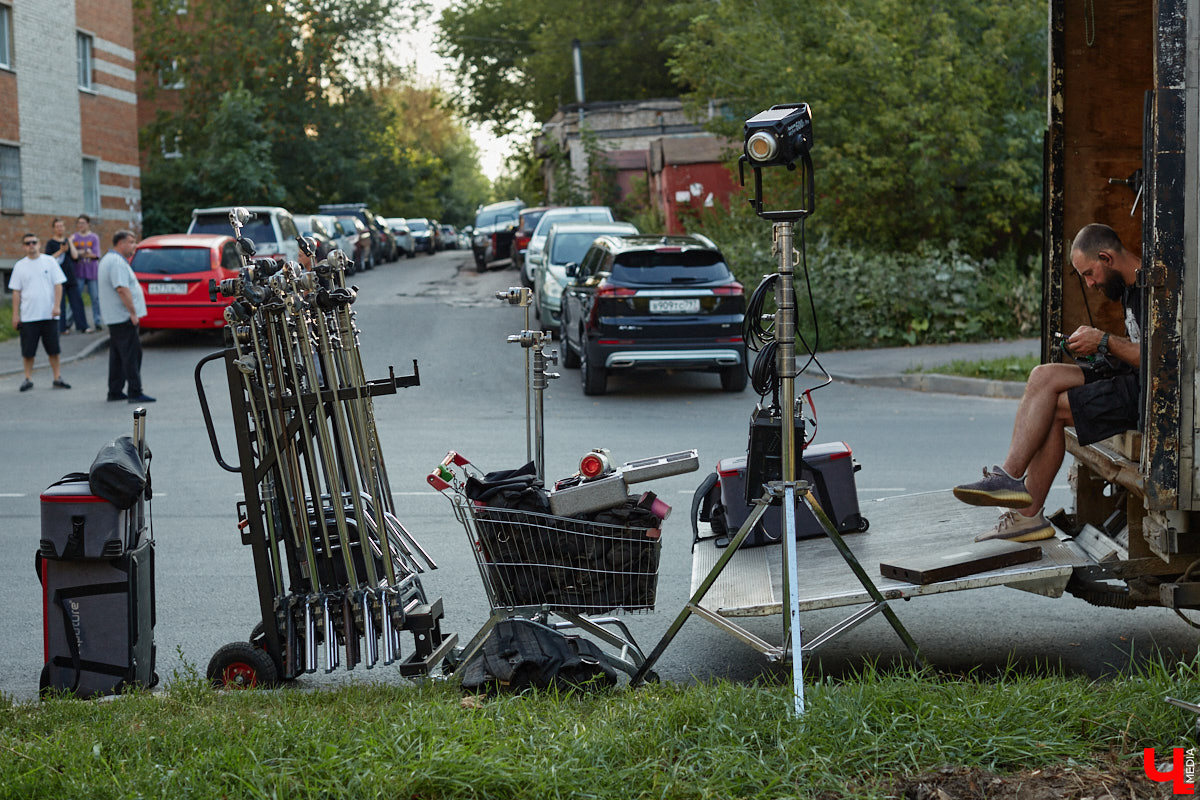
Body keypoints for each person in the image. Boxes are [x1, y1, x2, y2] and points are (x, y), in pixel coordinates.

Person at [953, 223, 1143, 542]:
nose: (1090, 283)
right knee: (1043, 375)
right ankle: (1008, 477)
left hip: (1147, 394)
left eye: (1089, 273)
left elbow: (1160, 358)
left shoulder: (1154, 286)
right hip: (1127, 372)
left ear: (1106, 257)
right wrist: (1096, 346)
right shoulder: (1127, 287)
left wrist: (1104, 340)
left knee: (1053, 410)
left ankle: (1027, 514)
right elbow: (1136, 345)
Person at [8, 233, 71, 391]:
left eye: (34, 242)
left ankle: (57, 377)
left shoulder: (49, 261)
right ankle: (27, 378)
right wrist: (15, 315)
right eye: (27, 243)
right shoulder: (20, 266)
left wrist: (57, 306)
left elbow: (58, 285)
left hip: (49, 314)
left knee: (54, 349)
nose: (31, 245)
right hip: (29, 316)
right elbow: (16, 291)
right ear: (23, 247)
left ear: (39, 244)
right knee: (28, 351)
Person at [97, 230, 154, 403]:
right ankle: (135, 392)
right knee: (132, 355)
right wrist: (133, 313)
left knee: (117, 356)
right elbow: (121, 289)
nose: (134, 246)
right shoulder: (116, 262)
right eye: (131, 242)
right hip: (123, 317)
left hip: (116, 317)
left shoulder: (110, 259)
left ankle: (115, 391)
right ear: (120, 243)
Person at [46, 218, 87, 335]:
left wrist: (70, 243)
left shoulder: (67, 241)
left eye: (62, 226)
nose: (60, 229)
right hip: (58, 278)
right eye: (57, 226)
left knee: (77, 301)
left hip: (70, 276)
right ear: (54, 229)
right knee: (61, 303)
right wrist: (60, 251)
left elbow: (75, 256)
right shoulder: (51, 243)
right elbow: (48, 259)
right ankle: (62, 328)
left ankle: (83, 326)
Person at [71, 214, 102, 331]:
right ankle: (69, 322)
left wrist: (80, 253)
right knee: (75, 297)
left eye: (83, 223)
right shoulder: (74, 238)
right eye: (79, 223)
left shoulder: (94, 237)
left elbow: (96, 255)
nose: (81, 225)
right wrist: (85, 252)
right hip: (78, 271)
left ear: (88, 224)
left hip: (92, 272)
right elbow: (72, 255)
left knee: (95, 298)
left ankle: (97, 321)